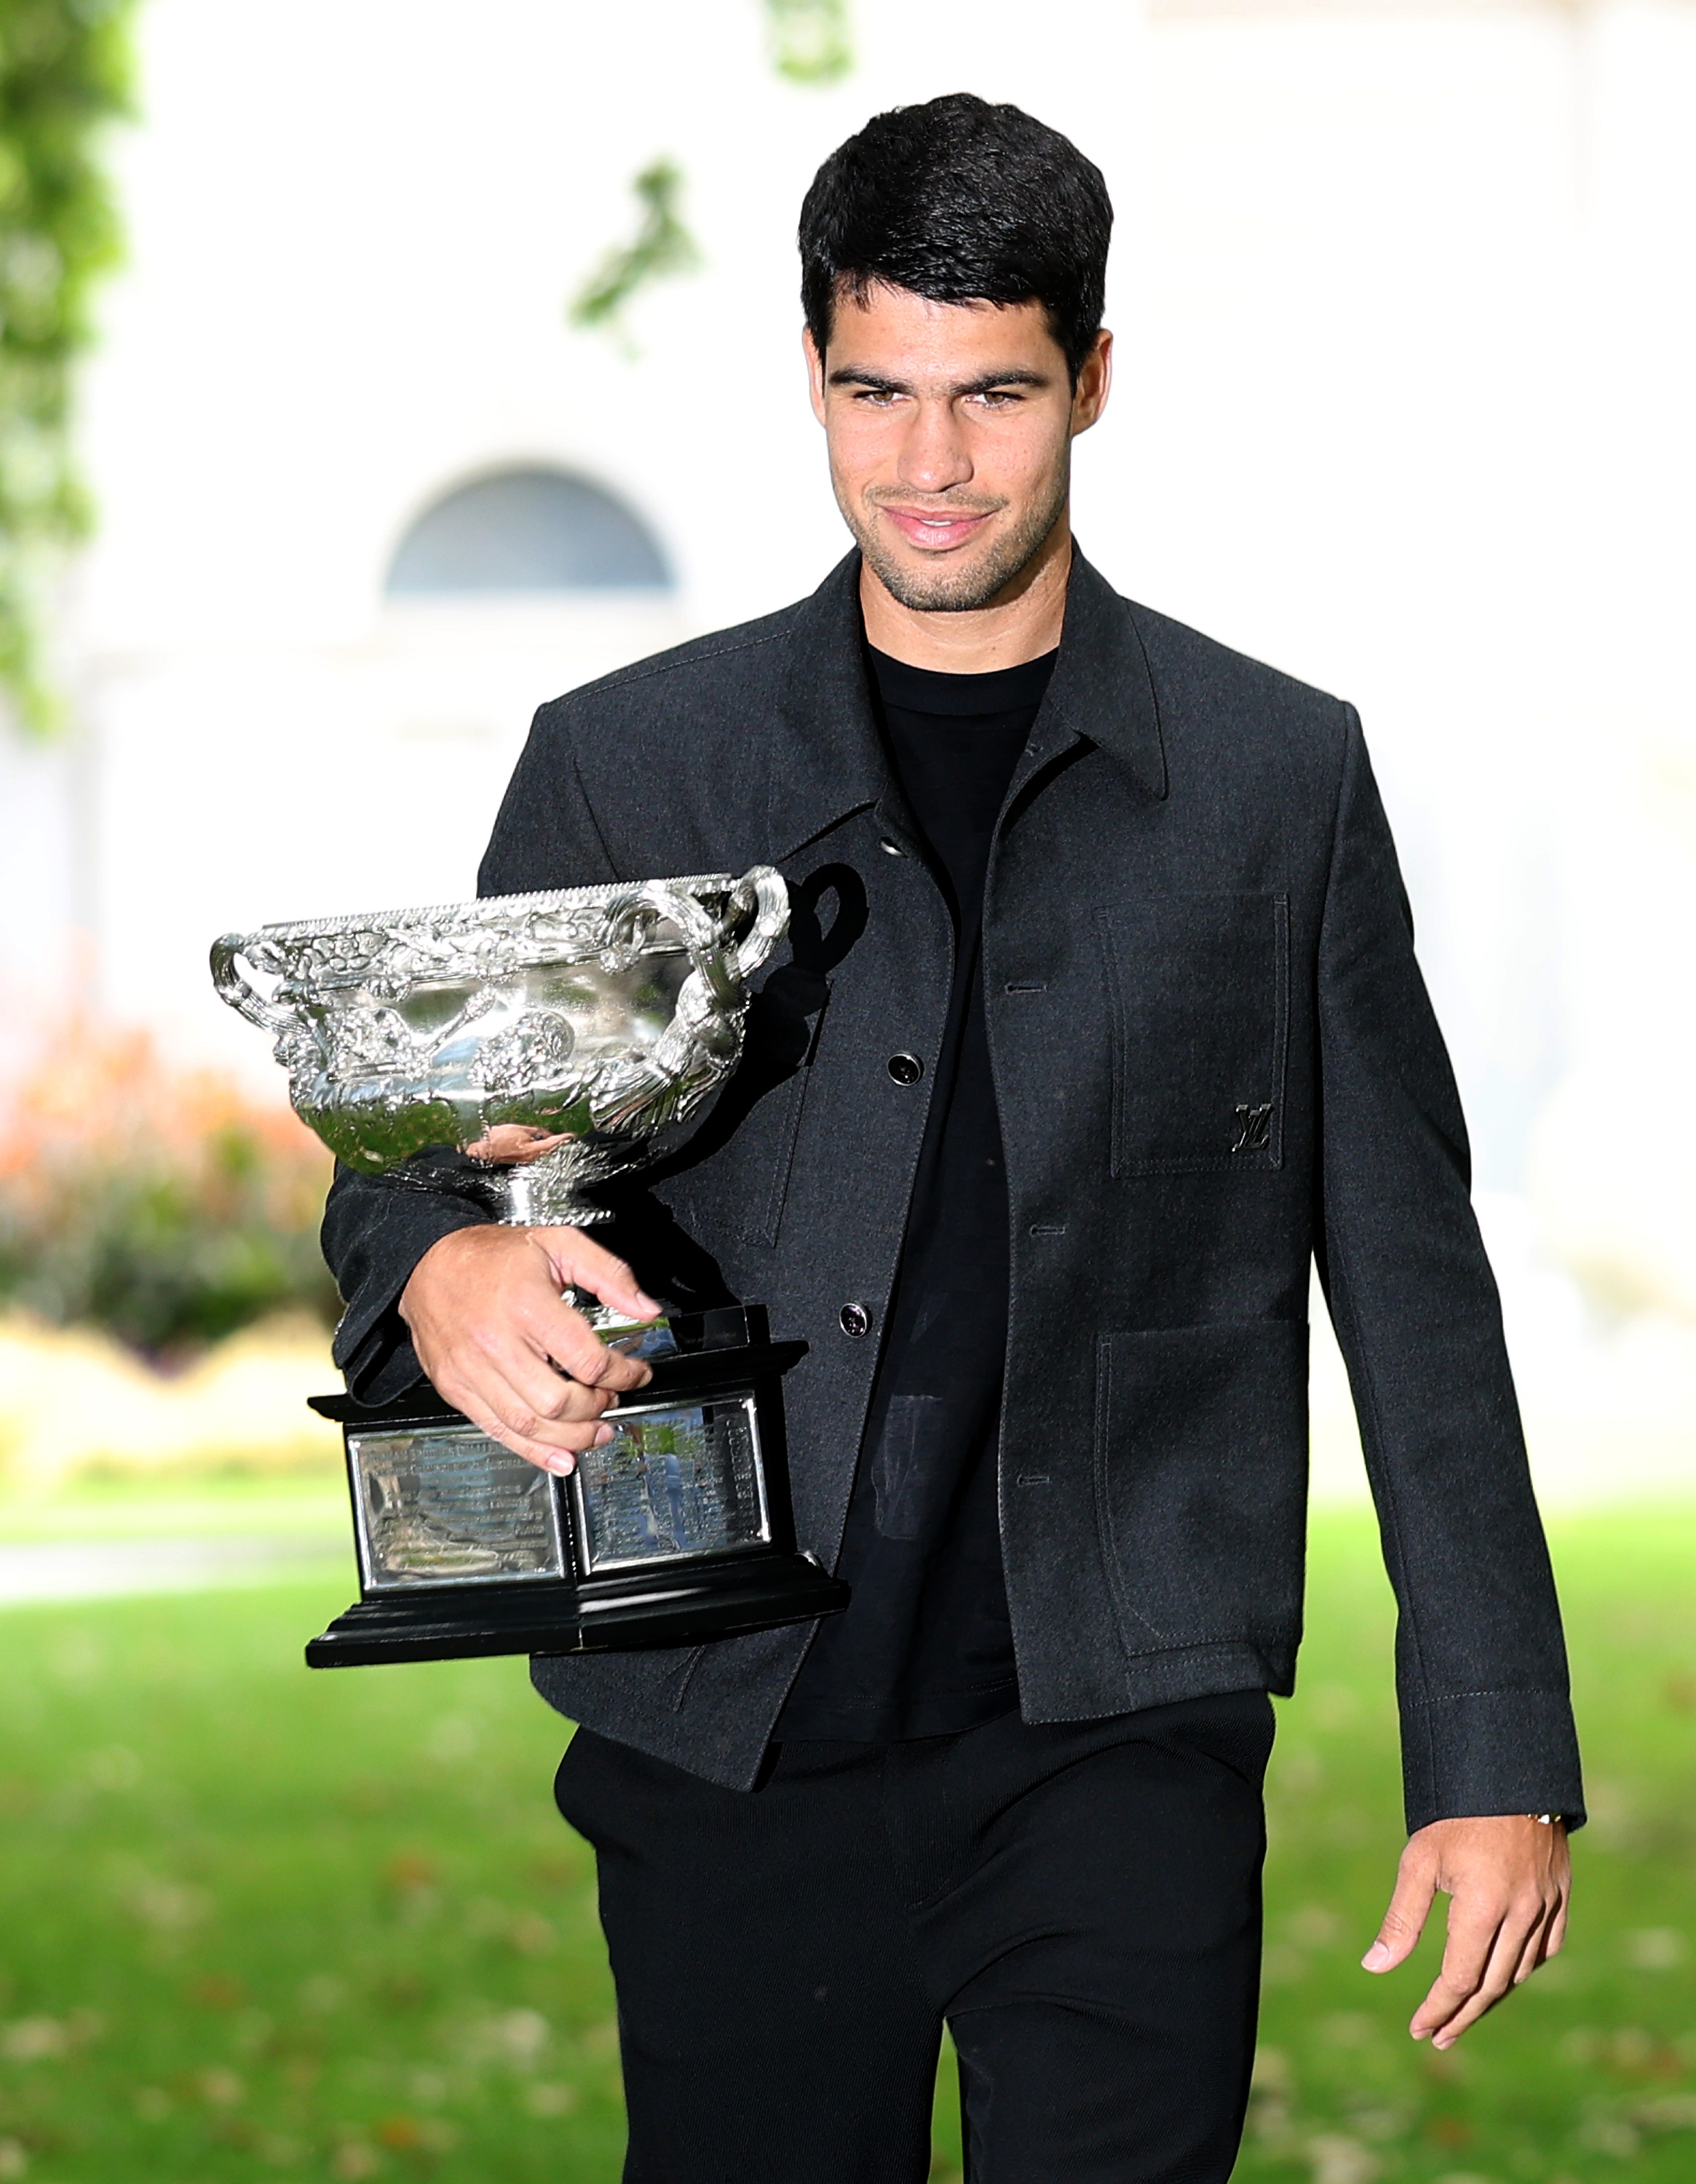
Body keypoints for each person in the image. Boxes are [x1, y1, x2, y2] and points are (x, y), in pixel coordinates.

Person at [323, 92, 1582, 2184]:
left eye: (992, 392)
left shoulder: (1278, 780)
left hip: (1120, 1739)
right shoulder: (630, 763)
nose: (927, 464)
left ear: (1091, 376)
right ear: (810, 372)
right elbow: (431, 1163)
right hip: (724, 1729)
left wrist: (1493, 1747)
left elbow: (1416, 1296)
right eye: (872, 392)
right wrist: (436, 1264)